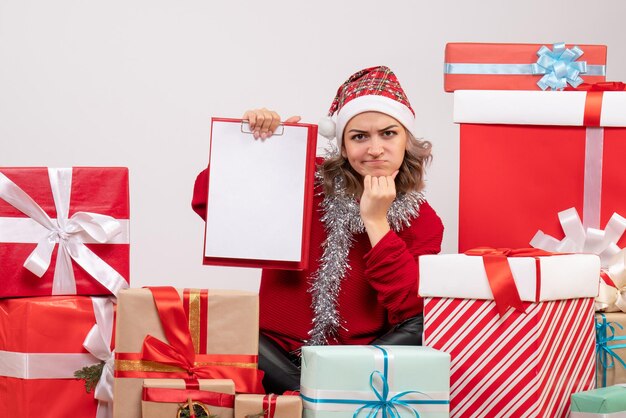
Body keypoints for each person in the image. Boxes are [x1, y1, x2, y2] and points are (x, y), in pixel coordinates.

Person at [192, 66, 443, 393]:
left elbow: (409, 309)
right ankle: (319, 396)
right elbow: (209, 202)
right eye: (359, 137)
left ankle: (317, 395)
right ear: (342, 145)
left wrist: (377, 221)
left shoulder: (423, 219)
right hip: (271, 351)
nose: (375, 149)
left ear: (407, 139)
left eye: (388, 133)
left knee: (429, 319)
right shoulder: (305, 179)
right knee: (224, 326)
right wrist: (259, 151)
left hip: (355, 361)